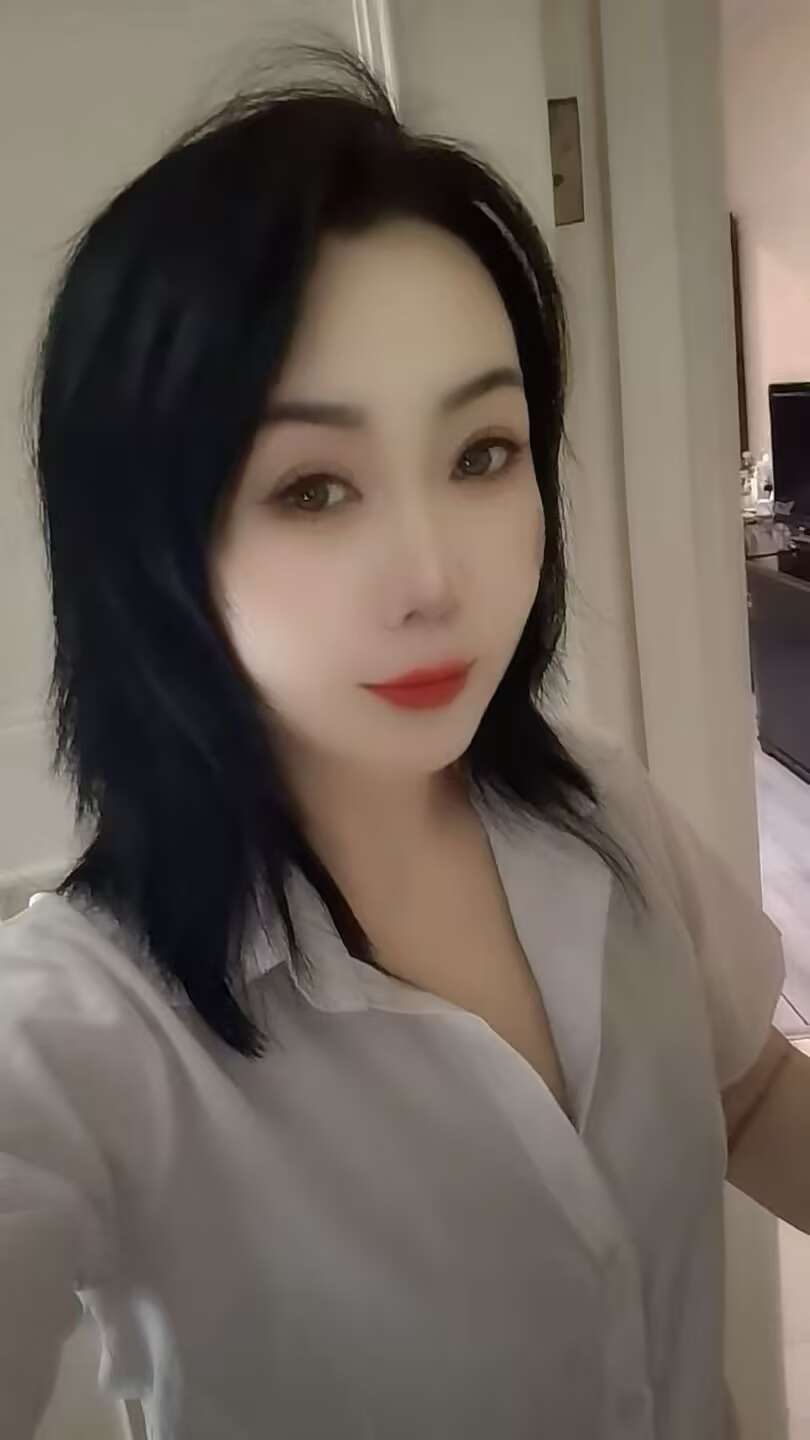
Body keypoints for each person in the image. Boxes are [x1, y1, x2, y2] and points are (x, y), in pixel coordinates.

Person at [1, 42, 806, 1440]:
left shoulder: (602, 809)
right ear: (151, 540)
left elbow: (742, 1099)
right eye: (313, 487)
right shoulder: (82, 1027)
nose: (436, 577)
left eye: (482, 454)